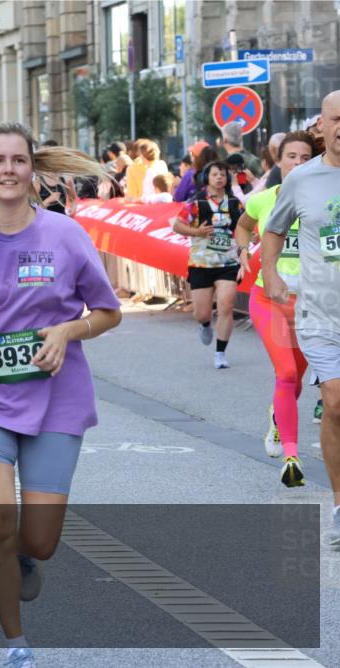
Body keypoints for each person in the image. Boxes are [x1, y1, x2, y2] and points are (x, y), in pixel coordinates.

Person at [0, 122, 122, 668]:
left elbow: (108, 312)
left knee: (40, 540)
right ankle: (16, 645)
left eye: (18, 160)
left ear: (32, 169)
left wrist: (67, 331)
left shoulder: (65, 235)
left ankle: (26, 557)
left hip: (57, 395)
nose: (8, 170)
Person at [262, 90, 340, 547]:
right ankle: (339, 506)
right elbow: (273, 229)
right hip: (320, 314)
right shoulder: (303, 179)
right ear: (322, 127)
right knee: (335, 401)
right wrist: (270, 273)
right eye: (337, 119)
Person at [235, 131, 315, 484]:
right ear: (278, 161)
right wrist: (242, 249)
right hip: (268, 298)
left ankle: (277, 417)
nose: (298, 163)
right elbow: (243, 226)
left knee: (295, 381)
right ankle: (292, 458)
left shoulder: (326, 202)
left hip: (311, 305)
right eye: (291, 156)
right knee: (286, 373)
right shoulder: (263, 200)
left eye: (305, 158)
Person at [171, 161, 242, 369]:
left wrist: (248, 239)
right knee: (202, 314)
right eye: (215, 174)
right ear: (206, 178)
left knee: (226, 305)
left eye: (223, 175)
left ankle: (220, 353)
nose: (219, 178)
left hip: (228, 263)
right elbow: (177, 225)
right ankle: (204, 324)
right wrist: (197, 232)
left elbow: (243, 226)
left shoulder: (234, 203)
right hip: (201, 263)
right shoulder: (196, 203)